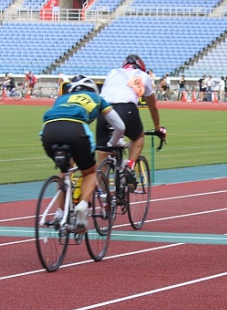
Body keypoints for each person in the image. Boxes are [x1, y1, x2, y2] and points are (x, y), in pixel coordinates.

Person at [40, 76, 126, 229]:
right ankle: (83, 205)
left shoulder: (62, 99)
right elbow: (120, 127)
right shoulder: (97, 98)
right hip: (76, 129)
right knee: (89, 172)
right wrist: (112, 143)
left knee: (64, 170)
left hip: (48, 130)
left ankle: (60, 213)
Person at [96, 54, 166, 183]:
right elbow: (153, 107)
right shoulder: (143, 76)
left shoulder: (112, 72)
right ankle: (129, 166)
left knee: (103, 157)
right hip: (126, 109)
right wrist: (157, 127)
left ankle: (97, 193)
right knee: (138, 137)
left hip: (103, 111)